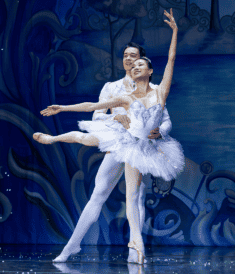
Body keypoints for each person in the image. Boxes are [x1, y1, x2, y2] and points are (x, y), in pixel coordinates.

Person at [34, 9, 180, 264]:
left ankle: (136, 252)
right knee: (99, 193)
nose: (129, 61)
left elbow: (164, 120)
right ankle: (72, 246)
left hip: (141, 148)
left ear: (144, 63)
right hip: (119, 145)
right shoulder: (113, 89)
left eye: (134, 57)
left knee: (136, 197)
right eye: (126, 57)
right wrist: (117, 118)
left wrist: (160, 132)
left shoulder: (157, 91)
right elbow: (95, 114)